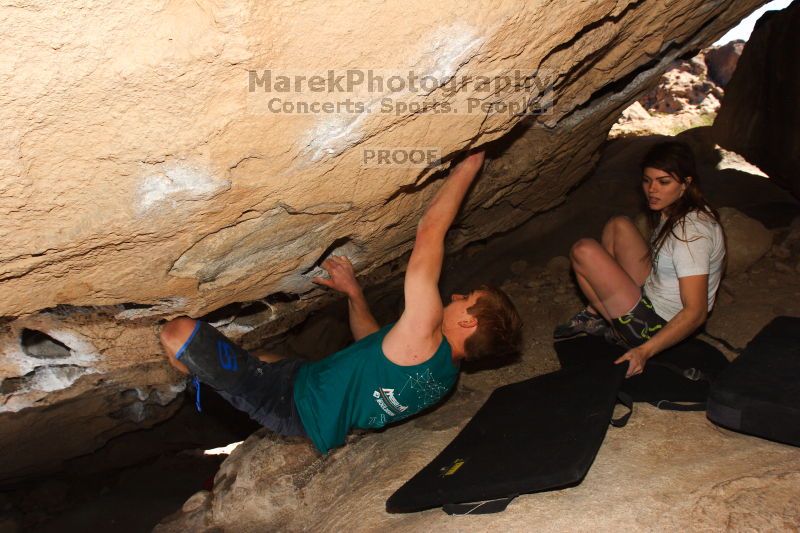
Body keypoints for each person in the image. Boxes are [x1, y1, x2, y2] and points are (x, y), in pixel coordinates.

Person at [159, 150, 522, 454]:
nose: (457, 296)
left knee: (178, 334)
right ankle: (224, 371)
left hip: (289, 403)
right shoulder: (444, 377)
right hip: (307, 385)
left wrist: (469, 165)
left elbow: (430, 231)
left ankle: (196, 378)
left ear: (468, 323)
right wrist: (354, 293)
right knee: (263, 360)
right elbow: (373, 347)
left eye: (468, 299)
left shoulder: (426, 331)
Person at [553, 141, 726, 377]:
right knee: (619, 225)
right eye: (647, 180)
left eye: (664, 182)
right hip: (654, 294)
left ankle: (618, 329)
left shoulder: (691, 234)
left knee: (583, 250)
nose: (652, 190)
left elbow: (696, 312)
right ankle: (595, 314)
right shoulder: (679, 209)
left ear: (685, 184)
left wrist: (644, 352)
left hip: (656, 326)